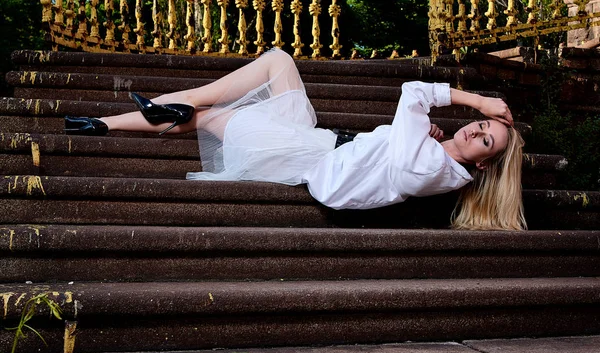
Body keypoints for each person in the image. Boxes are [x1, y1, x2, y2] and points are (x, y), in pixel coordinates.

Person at [65, 49, 526, 230]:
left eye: (484, 139)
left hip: (306, 157)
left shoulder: (427, 165)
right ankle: (132, 117)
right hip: (321, 140)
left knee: (206, 114)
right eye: (481, 124)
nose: (476, 128)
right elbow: (400, 141)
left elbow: (411, 93)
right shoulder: (435, 156)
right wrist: (430, 132)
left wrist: (479, 99)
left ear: (482, 166)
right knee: (278, 62)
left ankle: (108, 123)